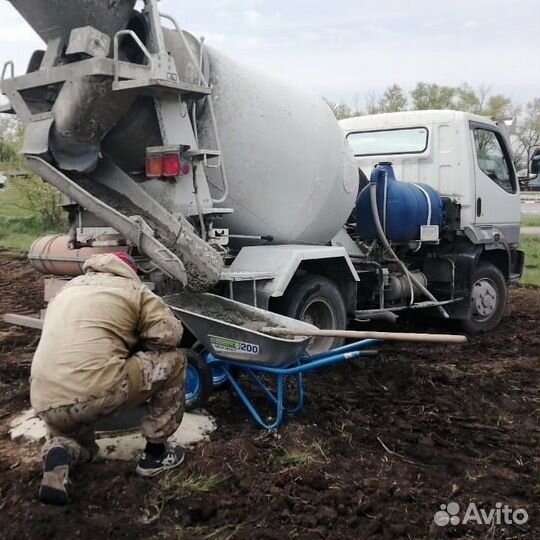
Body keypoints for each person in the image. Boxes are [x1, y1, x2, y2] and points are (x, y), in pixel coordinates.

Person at [30, 252, 187, 505]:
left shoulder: (67, 290)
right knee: (175, 361)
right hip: (98, 389)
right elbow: (169, 336)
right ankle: (156, 456)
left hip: (45, 397)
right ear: (130, 270)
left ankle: (59, 453)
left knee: (84, 448)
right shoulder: (134, 289)